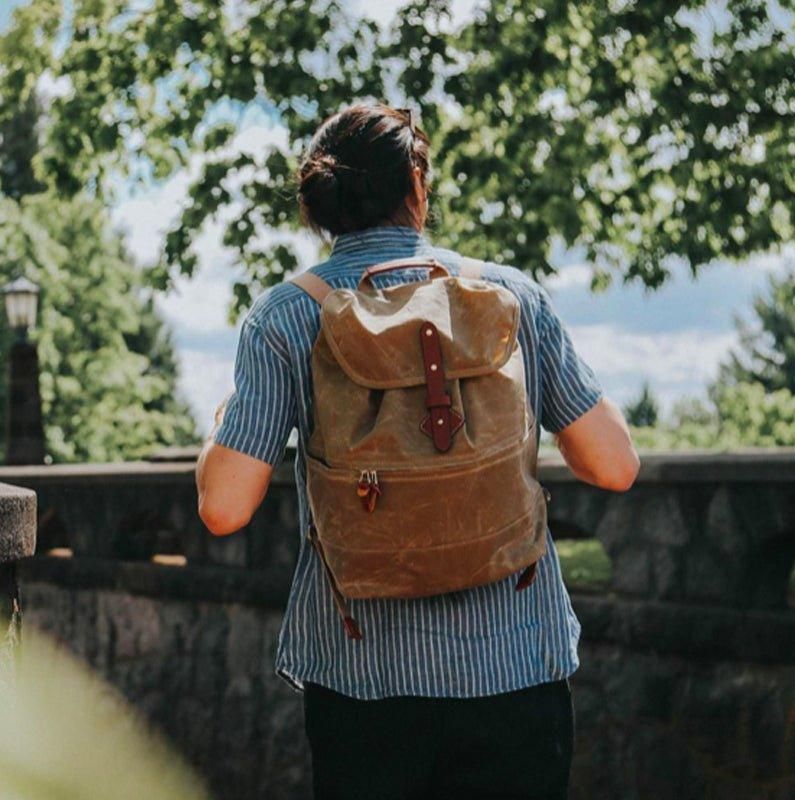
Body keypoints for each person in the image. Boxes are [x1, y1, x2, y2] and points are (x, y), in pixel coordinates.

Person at [195, 103, 640, 800]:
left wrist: (226, 421)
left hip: (363, 685)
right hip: (515, 670)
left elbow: (223, 508)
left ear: (321, 208)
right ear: (418, 189)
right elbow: (614, 465)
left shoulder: (285, 318)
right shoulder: (509, 297)